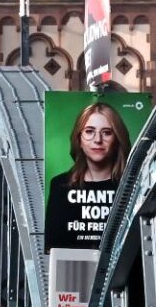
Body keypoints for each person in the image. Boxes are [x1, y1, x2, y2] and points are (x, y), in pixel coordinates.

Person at [44, 101, 134, 250]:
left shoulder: (132, 185)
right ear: (79, 139)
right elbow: (52, 246)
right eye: (89, 131)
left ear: (117, 139)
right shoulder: (60, 185)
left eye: (107, 132)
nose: (97, 140)